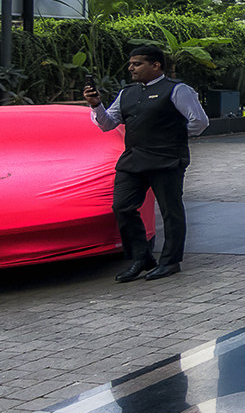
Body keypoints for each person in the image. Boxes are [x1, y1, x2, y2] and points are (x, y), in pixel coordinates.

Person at [84, 45, 209, 282]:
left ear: (156, 65)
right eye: (130, 64)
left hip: (166, 160)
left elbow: (199, 122)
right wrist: (96, 105)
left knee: (170, 211)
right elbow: (107, 124)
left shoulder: (177, 90)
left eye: (137, 63)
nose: (131, 68)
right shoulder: (127, 93)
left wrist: (172, 138)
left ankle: (170, 261)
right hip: (133, 160)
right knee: (122, 207)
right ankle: (142, 258)